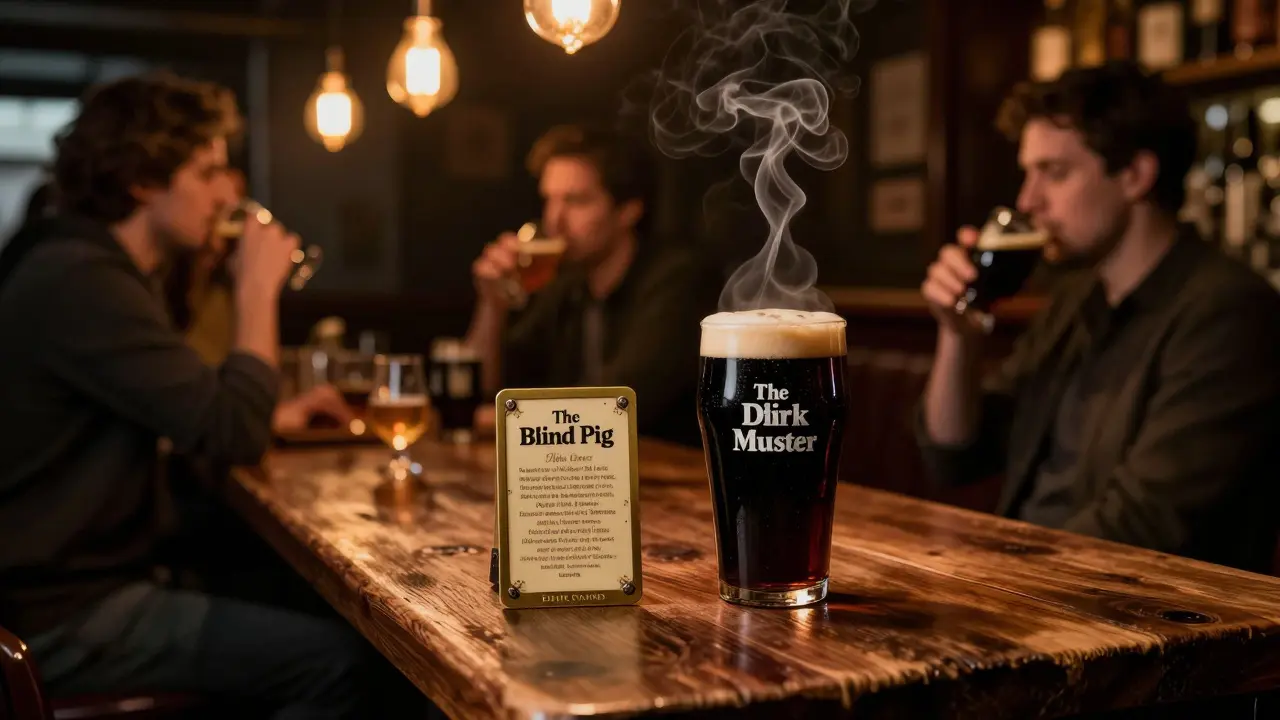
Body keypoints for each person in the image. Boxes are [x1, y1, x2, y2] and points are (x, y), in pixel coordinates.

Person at [0, 73, 382, 717]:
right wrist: (256, 289)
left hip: (62, 589)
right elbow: (232, 430)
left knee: (290, 592)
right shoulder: (85, 280)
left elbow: (184, 406)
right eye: (208, 173)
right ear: (144, 180)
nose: (229, 192)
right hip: (60, 616)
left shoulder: (77, 263)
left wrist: (272, 408)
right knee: (344, 664)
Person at [916, 61, 1280, 574]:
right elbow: (953, 456)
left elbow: (1141, 529)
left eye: (1054, 173)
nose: (1027, 200)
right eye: (1028, 172)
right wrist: (958, 335)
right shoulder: (1075, 301)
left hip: (1142, 625)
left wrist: (986, 575)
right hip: (1037, 596)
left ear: (1134, 175)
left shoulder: (1231, 313)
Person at [465, 124, 715, 446]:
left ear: (628, 211)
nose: (554, 220)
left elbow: (612, 407)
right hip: (587, 480)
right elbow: (488, 386)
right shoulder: (566, 287)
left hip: (674, 479)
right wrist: (492, 304)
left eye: (576, 201)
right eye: (549, 200)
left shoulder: (679, 280)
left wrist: (474, 417)